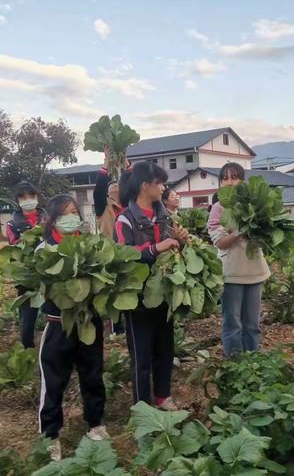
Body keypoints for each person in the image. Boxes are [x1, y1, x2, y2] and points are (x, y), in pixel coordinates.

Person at [38, 195, 108, 461]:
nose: (72, 217)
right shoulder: (44, 250)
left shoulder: (90, 246)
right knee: (54, 381)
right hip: (59, 325)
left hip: (89, 322)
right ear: (54, 219)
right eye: (66, 213)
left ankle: (95, 423)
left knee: (93, 375)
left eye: (75, 212)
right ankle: (50, 436)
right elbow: (41, 289)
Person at [114, 161, 187, 409]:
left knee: (165, 350)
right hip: (137, 298)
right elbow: (124, 255)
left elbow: (172, 250)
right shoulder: (125, 219)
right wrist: (156, 248)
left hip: (163, 294)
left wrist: (180, 242)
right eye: (160, 183)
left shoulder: (163, 215)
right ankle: (142, 406)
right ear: (146, 186)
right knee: (141, 356)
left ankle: (163, 396)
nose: (164, 188)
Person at [208, 162, 270, 357]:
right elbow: (221, 242)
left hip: (254, 271)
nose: (229, 182)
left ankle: (253, 363)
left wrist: (249, 232)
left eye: (234, 177)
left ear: (243, 181)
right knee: (232, 323)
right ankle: (235, 366)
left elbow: (265, 238)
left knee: (252, 323)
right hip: (231, 273)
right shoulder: (218, 208)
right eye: (225, 178)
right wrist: (239, 232)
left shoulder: (256, 203)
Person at [93, 150, 128, 335]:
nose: (115, 188)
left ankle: (128, 324)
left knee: (127, 288)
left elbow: (132, 184)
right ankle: (116, 327)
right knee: (114, 290)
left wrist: (126, 164)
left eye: (118, 186)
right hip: (110, 253)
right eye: (111, 186)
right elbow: (98, 190)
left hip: (128, 252)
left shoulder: (130, 208)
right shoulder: (103, 209)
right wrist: (106, 164)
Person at [7, 181, 45, 348]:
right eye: (24, 197)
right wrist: (29, 235)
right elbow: (14, 247)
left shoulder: (49, 217)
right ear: (18, 200)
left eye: (32, 196)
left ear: (37, 197)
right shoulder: (12, 224)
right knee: (28, 316)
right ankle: (28, 350)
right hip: (26, 275)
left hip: (49, 270)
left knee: (56, 311)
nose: (28, 200)